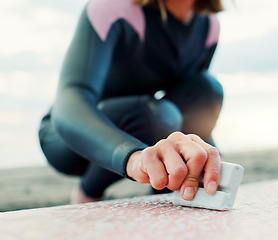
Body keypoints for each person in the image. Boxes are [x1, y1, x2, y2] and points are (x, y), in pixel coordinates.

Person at [38, 0, 224, 204]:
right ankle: (87, 192)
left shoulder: (210, 26)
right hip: (69, 137)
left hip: (149, 121)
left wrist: (210, 158)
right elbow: (71, 100)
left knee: (207, 90)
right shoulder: (111, 8)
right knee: (158, 116)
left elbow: (193, 102)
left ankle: (169, 192)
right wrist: (134, 157)